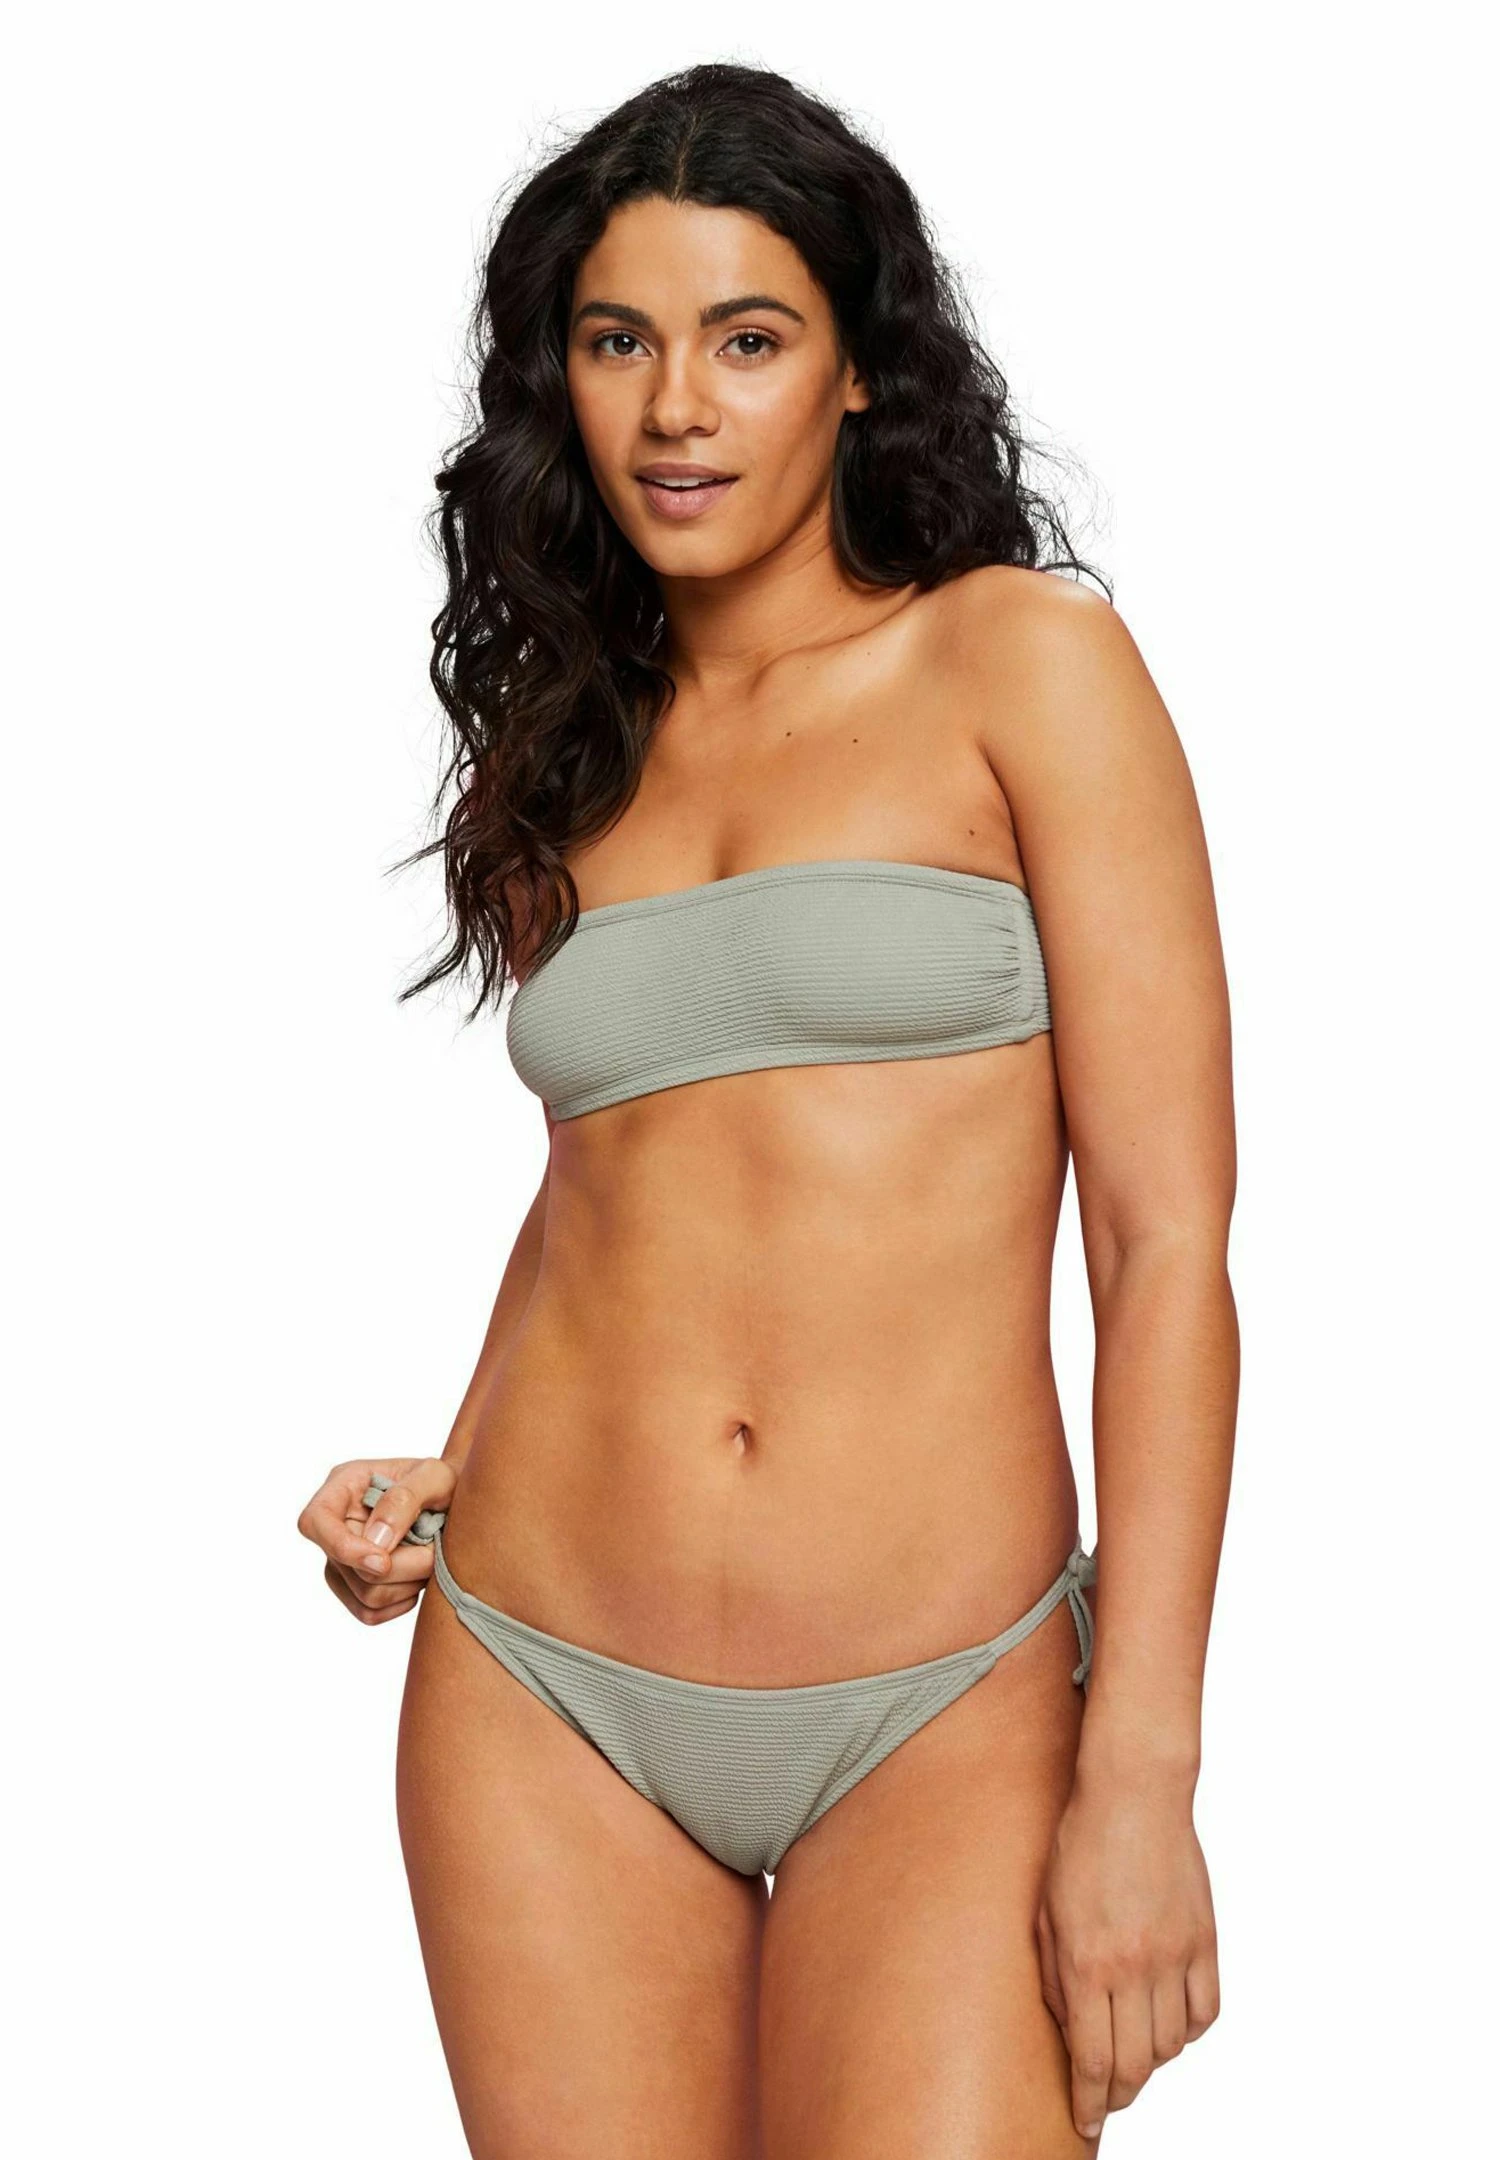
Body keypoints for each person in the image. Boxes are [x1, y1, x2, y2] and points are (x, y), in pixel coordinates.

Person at [298, 59, 1235, 2159]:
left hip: (948, 1695)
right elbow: (611, 1174)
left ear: (857, 371)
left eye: (745, 339)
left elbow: (1165, 1245)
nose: (675, 410)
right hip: (545, 1675)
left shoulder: (1023, 667)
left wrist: (1146, 1770)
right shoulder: (569, 748)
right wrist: (454, 1458)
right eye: (616, 342)